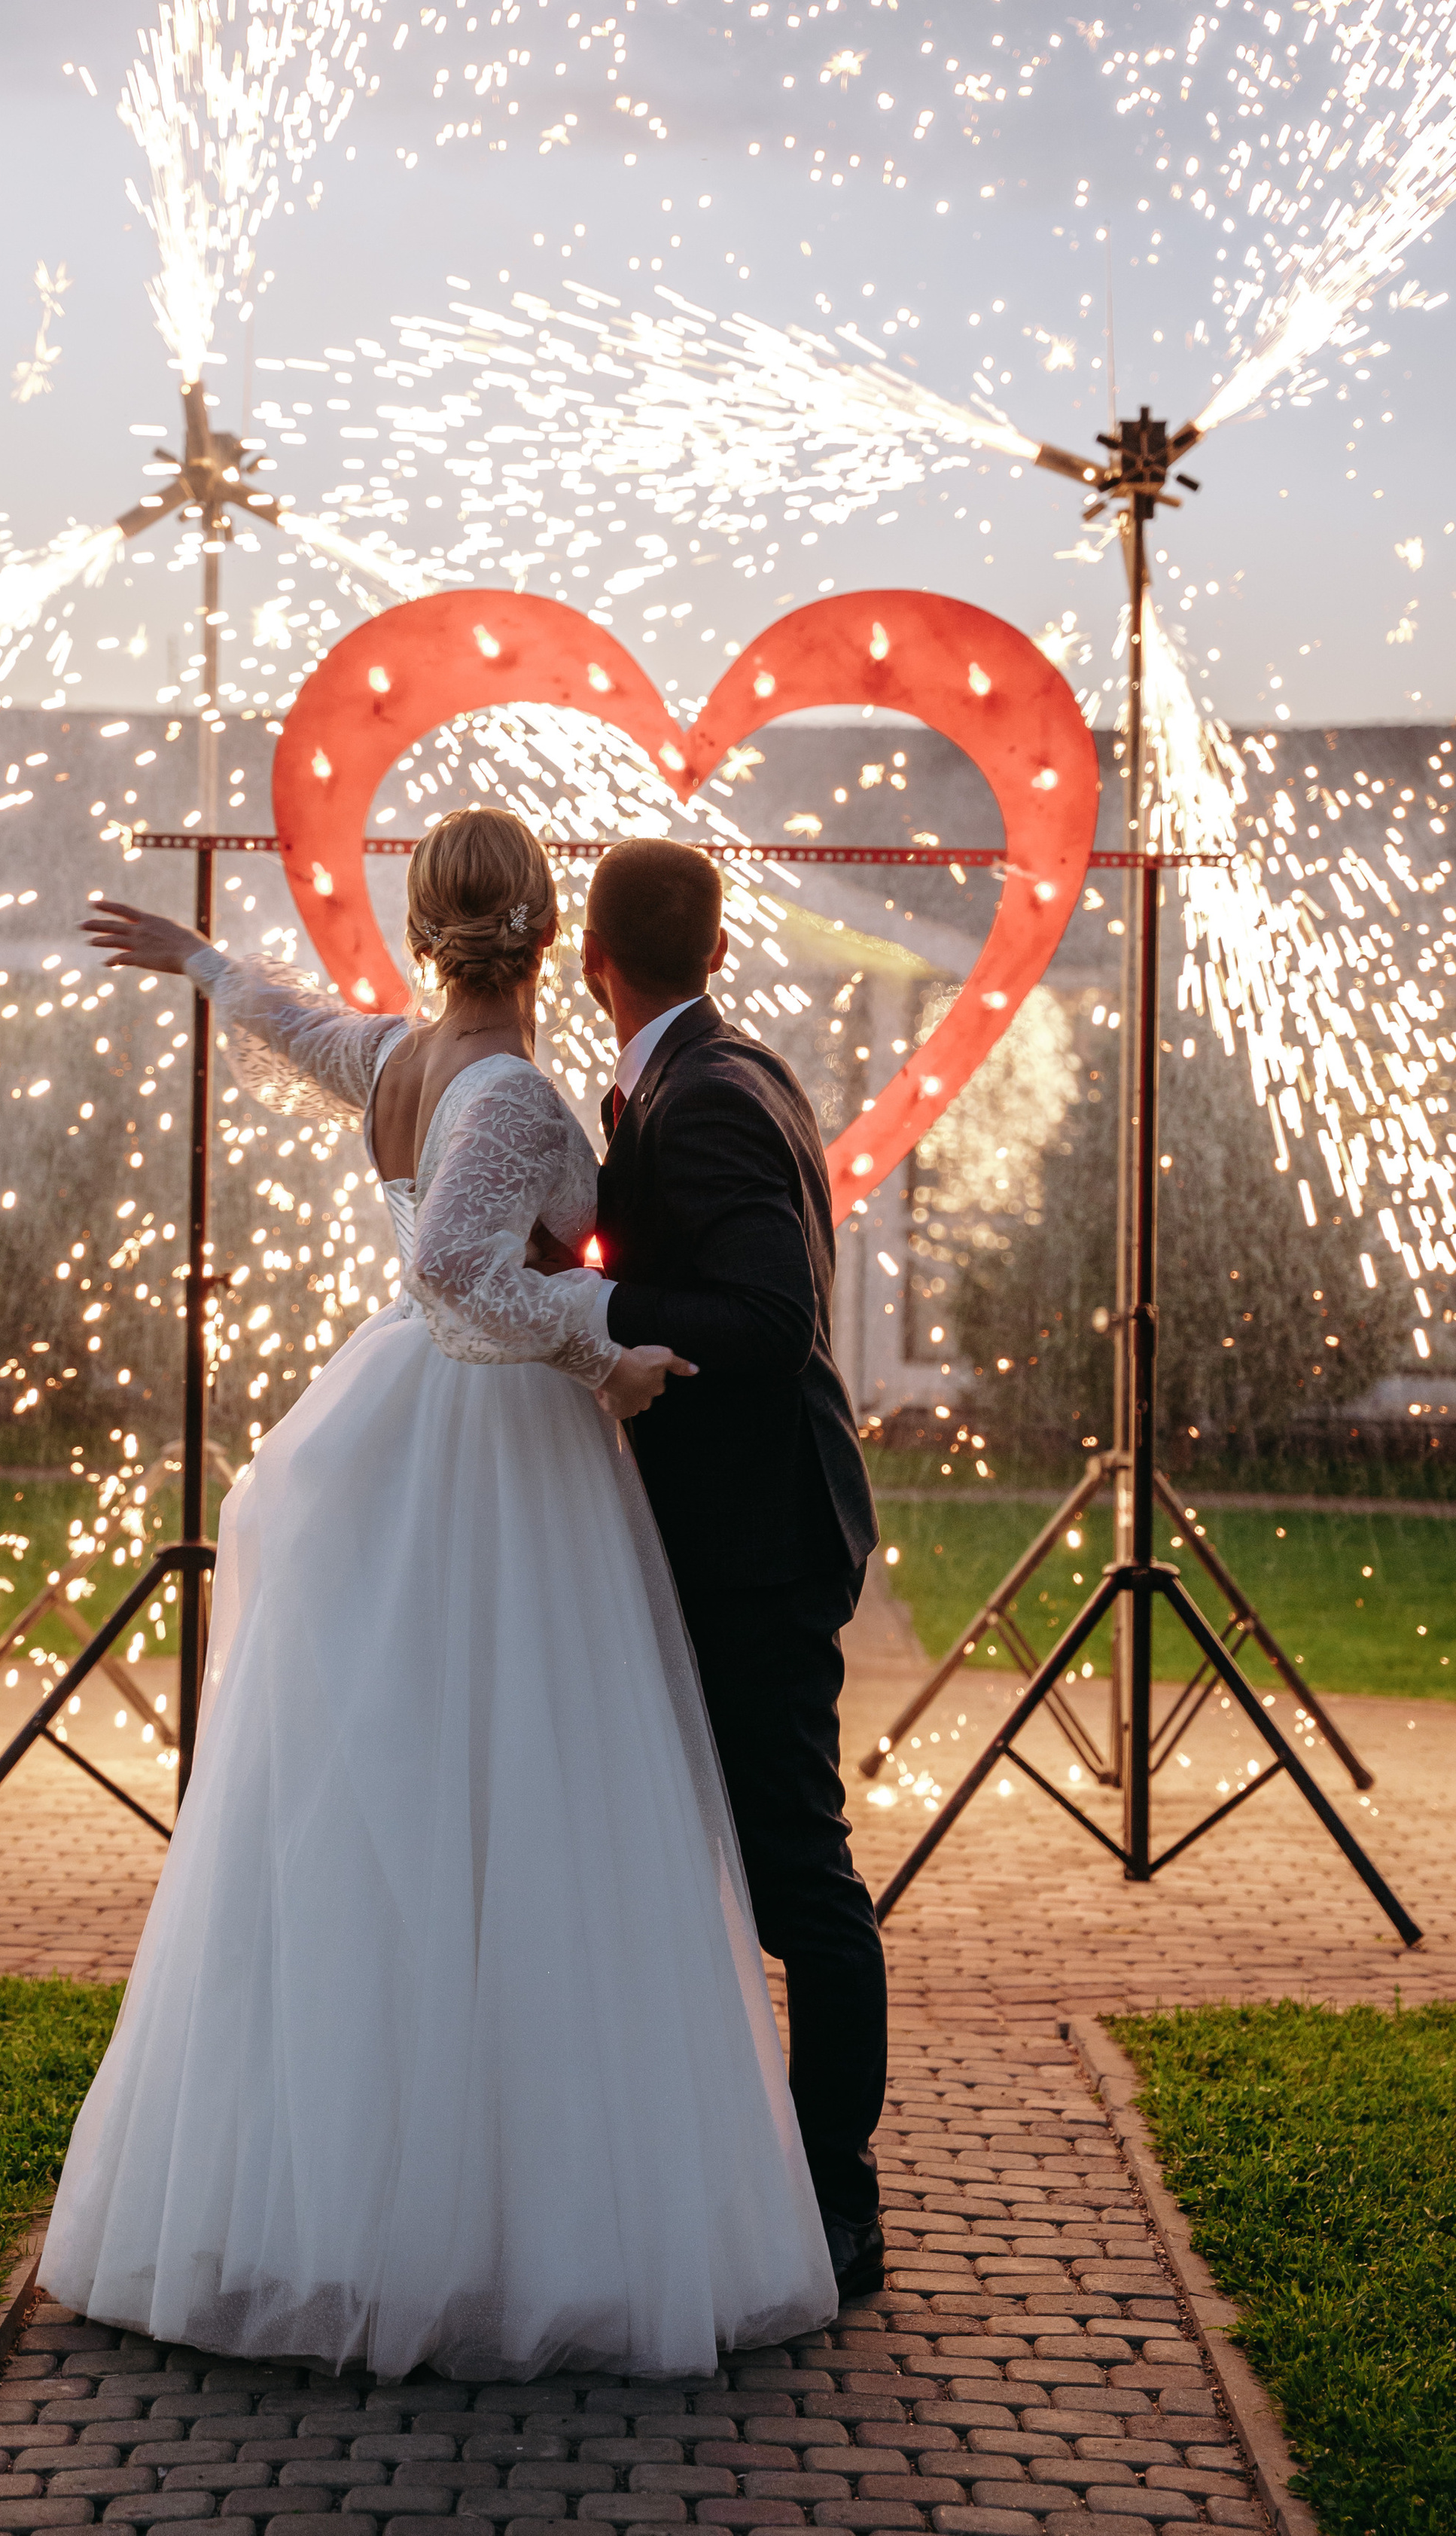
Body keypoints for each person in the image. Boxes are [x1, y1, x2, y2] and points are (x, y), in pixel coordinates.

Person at [39, 806, 837, 2381]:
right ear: (553, 941)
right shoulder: (519, 1095)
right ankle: (503, 2224)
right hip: (494, 1457)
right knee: (533, 1809)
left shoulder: (400, 1062)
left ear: (435, 931)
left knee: (381, 1812)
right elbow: (455, 1275)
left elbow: (300, 1028)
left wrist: (202, 958)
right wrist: (609, 1348)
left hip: (396, 1448)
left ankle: (352, 2189)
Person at [583, 837, 889, 2306]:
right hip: (738, 1528)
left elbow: (766, 1319)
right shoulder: (727, 1066)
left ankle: (837, 2199)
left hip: (759, 1543)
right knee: (746, 1861)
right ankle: (765, 2169)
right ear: (709, 951)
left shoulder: (701, 1099)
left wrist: (589, 1300)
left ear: (594, 962)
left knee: (797, 1878)